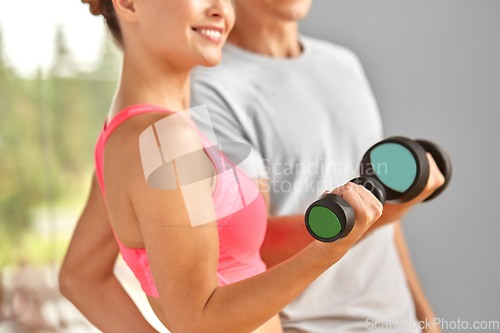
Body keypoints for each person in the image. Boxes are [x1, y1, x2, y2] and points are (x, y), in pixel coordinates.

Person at [59, 0, 384, 332]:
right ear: (128, 3)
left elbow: (81, 275)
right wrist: (326, 253)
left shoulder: (132, 133)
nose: (222, 10)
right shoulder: (163, 139)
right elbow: (199, 319)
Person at [190, 0, 445, 332]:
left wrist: (424, 314)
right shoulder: (206, 87)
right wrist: (393, 210)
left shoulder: (343, 64)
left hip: (400, 323)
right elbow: (251, 244)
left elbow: (373, 197)